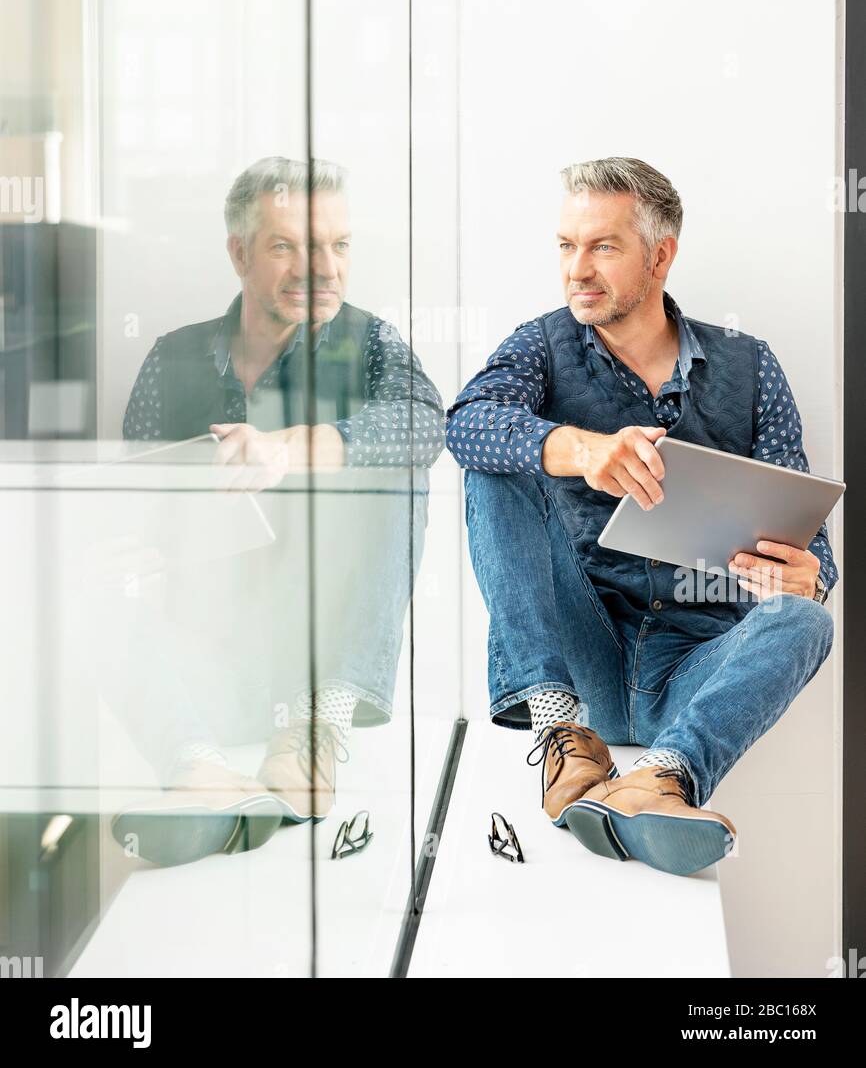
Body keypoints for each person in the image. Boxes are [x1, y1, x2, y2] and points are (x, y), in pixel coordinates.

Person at [445, 156, 837, 877]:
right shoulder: (543, 345)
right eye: (566, 246)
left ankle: (658, 780)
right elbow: (466, 423)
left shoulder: (749, 366)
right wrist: (577, 448)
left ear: (661, 255)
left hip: (695, 667)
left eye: (602, 247)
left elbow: (813, 543)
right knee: (494, 465)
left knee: (810, 621)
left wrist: (810, 576)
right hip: (583, 657)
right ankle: (560, 734)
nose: (576, 270)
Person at [107, 156, 443, 864]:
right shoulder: (175, 359)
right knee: (72, 569)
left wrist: (291, 447)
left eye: (338, 246)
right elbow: (128, 500)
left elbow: (425, 425)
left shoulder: (368, 342)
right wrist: (134, 548)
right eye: (289, 246)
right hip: (208, 654)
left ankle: (310, 735)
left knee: (395, 468)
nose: (320, 268)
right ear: (239, 253)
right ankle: (199, 770)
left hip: (310, 668)